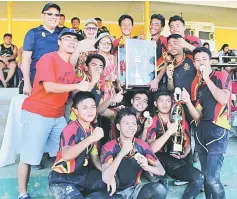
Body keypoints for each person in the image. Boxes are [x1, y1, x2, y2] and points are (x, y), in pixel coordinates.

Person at [17, 28, 93, 199]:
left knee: (65, 153)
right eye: (67, 38)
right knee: (28, 157)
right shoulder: (48, 58)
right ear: (59, 41)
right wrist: (77, 86)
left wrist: (91, 81)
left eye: (75, 40)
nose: (72, 41)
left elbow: (73, 94)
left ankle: (61, 186)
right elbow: (49, 87)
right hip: (38, 112)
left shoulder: (69, 67)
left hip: (58, 116)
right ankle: (22, 194)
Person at [182, 47, 231, 199]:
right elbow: (198, 115)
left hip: (218, 130)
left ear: (210, 61)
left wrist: (207, 78)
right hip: (201, 131)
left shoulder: (221, 75)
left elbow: (223, 99)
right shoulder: (196, 85)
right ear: (195, 64)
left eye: (204, 59)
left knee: (212, 179)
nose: (201, 62)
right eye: (197, 60)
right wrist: (188, 102)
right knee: (205, 176)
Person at [147, 89, 204, 199]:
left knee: (199, 177)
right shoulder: (152, 121)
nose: (165, 104)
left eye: (168, 101)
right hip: (160, 160)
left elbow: (188, 141)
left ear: (172, 102)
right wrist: (169, 132)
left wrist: (185, 152)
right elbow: (151, 149)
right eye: (161, 101)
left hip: (177, 160)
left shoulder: (179, 118)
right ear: (155, 103)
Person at [49, 92, 108, 199]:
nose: (90, 111)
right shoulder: (70, 129)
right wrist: (91, 139)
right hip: (63, 179)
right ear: (75, 111)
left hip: (81, 177)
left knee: (110, 181)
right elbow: (66, 155)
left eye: (93, 107)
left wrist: (106, 171)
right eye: (84, 107)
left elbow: (95, 158)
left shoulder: (92, 130)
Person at [101, 107, 168, 199]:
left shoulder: (142, 145)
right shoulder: (109, 147)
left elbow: (161, 171)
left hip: (135, 190)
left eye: (133, 123)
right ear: (118, 126)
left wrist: (147, 167)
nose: (131, 127)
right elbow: (105, 177)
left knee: (160, 189)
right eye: (126, 123)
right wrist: (121, 154)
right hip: (114, 193)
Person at [22, 3, 61, 96]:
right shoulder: (33, 33)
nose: (53, 17)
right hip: (38, 77)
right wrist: (26, 83)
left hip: (58, 78)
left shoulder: (62, 34)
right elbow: (26, 59)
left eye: (57, 14)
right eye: (49, 14)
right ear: (42, 16)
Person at [166, 34, 198, 124]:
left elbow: (203, 53)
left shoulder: (191, 58)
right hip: (179, 105)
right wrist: (169, 78)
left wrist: (186, 45)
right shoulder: (170, 65)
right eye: (170, 44)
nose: (172, 46)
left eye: (175, 43)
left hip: (195, 103)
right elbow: (171, 88)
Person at [69, 53, 107, 121]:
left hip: (91, 123)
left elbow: (98, 109)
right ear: (86, 67)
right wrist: (93, 82)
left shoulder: (100, 86)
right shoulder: (80, 79)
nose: (97, 68)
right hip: (76, 121)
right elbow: (76, 98)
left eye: (100, 66)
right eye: (94, 65)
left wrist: (111, 100)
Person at [148, 14, 168, 92]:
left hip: (160, 81)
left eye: (156, 25)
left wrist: (157, 79)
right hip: (149, 80)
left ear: (162, 28)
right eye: (151, 24)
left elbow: (166, 63)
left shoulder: (164, 41)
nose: (153, 26)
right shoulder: (148, 43)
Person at [95, 32, 117, 100]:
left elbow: (116, 74)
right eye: (103, 42)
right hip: (97, 90)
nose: (106, 45)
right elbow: (89, 77)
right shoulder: (94, 58)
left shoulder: (113, 58)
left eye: (108, 43)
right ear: (98, 44)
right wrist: (105, 78)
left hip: (111, 91)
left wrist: (115, 78)